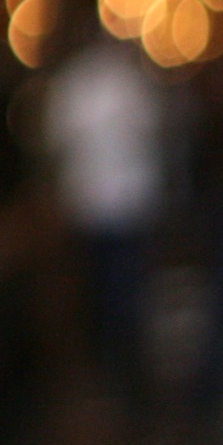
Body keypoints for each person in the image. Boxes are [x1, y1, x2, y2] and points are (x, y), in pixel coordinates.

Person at [41, 26, 169, 399]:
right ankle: (115, 371)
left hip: (112, 208)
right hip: (107, 208)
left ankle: (115, 370)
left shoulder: (83, 84)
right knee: (113, 291)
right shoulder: (121, 82)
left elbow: (55, 142)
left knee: (111, 291)